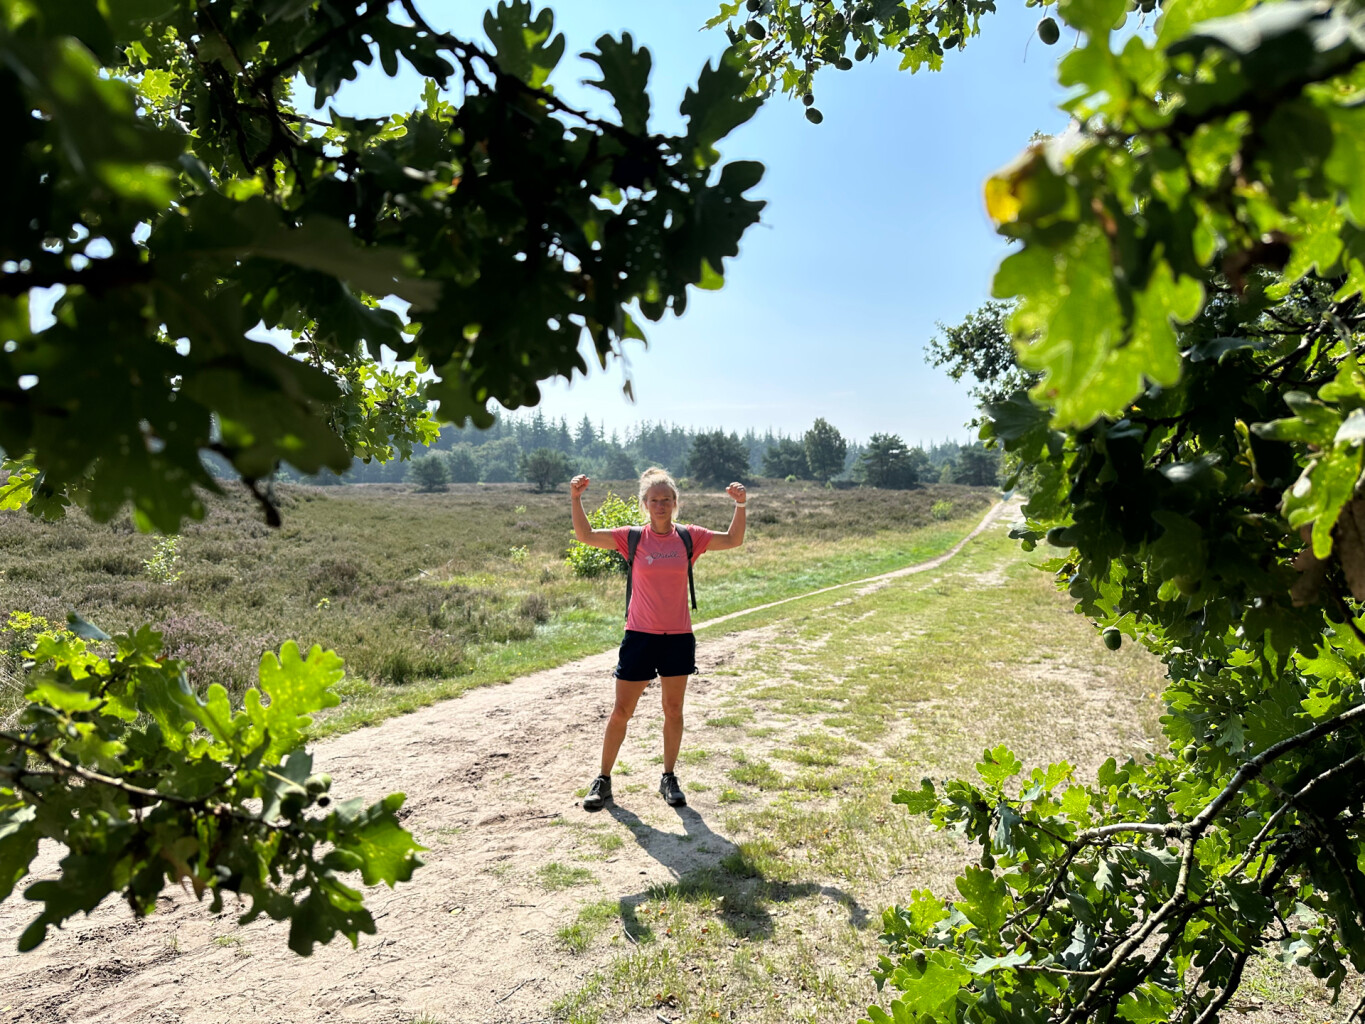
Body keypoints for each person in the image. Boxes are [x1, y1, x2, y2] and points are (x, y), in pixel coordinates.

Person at [569, 467, 746, 810]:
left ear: (675, 503)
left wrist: (740, 506)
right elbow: (586, 535)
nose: (661, 505)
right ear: (645, 504)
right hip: (639, 637)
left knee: (673, 710)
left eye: (667, 499)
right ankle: (603, 779)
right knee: (621, 711)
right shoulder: (631, 537)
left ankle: (669, 777)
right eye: (655, 500)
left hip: (678, 637)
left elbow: (732, 539)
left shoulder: (688, 537)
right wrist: (575, 498)